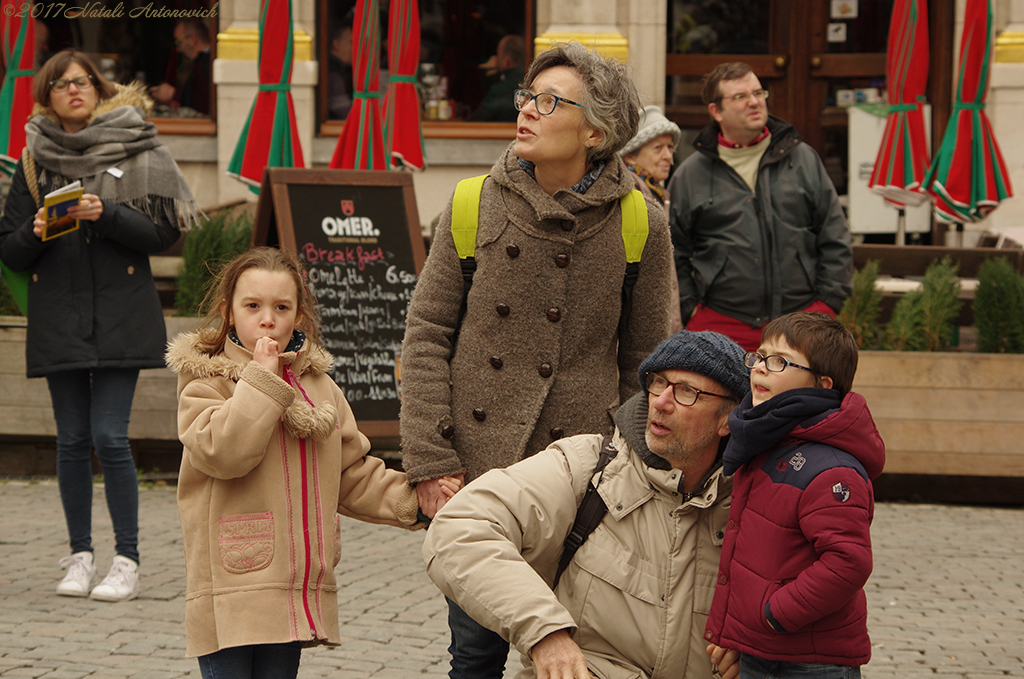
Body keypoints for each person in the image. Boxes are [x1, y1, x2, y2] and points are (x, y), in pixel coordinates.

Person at [400, 41, 674, 678]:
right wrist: (432, 461)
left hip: (583, 485)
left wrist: (638, 476)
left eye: (550, 101)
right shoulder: (471, 204)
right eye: (528, 96)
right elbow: (426, 336)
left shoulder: (641, 224)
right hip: (478, 474)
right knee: (473, 653)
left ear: (595, 129)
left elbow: (649, 367)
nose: (526, 109)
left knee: (574, 651)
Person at [166, 247, 462, 678]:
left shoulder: (320, 388)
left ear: (298, 316)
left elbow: (352, 474)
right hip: (234, 580)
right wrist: (263, 380)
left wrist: (415, 499)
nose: (267, 319)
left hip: (292, 586)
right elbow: (224, 452)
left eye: (281, 307)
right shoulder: (206, 382)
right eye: (253, 306)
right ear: (229, 314)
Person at [423, 330, 749, 679]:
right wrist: (545, 632)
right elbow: (458, 527)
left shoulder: (756, 500)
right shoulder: (589, 466)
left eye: (687, 392)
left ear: (727, 420)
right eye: (658, 383)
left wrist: (756, 648)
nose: (661, 401)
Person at [0, 49, 200, 601]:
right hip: (58, 316)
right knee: (70, 441)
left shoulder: (138, 145)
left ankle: (127, 559)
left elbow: (165, 234)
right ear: (47, 97)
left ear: (100, 88)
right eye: (61, 84)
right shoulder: (33, 161)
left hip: (120, 315)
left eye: (82, 81)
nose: (73, 90)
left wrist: (104, 214)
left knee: (109, 437)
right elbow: (10, 252)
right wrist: (38, 228)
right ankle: (80, 556)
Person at [705, 312, 885, 678]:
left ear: (822, 383)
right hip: (764, 649)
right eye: (758, 357)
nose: (760, 369)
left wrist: (776, 613)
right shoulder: (769, 441)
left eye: (780, 361)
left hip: (810, 661)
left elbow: (848, 561)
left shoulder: (831, 468)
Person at [667, 62, 853, 352]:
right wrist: (693, 311)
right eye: (740, 96)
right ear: (716, 111)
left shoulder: (803, 159)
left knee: (799, 399)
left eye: (758, 92)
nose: (754, 101)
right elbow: (673, 250)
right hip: (722, 324)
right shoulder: (691, 175)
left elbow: (835, 234)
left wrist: (827, 304)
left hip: (801, 321)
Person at [619, 104, 684, 333]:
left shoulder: (657, 192)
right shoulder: (630, 193)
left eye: (670, 147)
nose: (668, 156)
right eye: (658, 148)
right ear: (630, 154)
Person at [149, 19, 211, 115]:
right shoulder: (204, 61)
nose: (178, 49)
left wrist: (174, 94)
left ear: (191, 41)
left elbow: (203, 105)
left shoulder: (204, 65)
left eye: (179, 42)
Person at [469, 35, 526, 122]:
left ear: (507, 60)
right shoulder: (529, 82)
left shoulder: (502, 89)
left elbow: (478, 120)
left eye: (498, 54)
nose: (495, 59)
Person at [327, 22, 354, 119]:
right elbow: (346, 114)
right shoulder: (333, 75)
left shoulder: (342, 70)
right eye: (351, 42)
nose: (355, 48)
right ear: (336, 44)